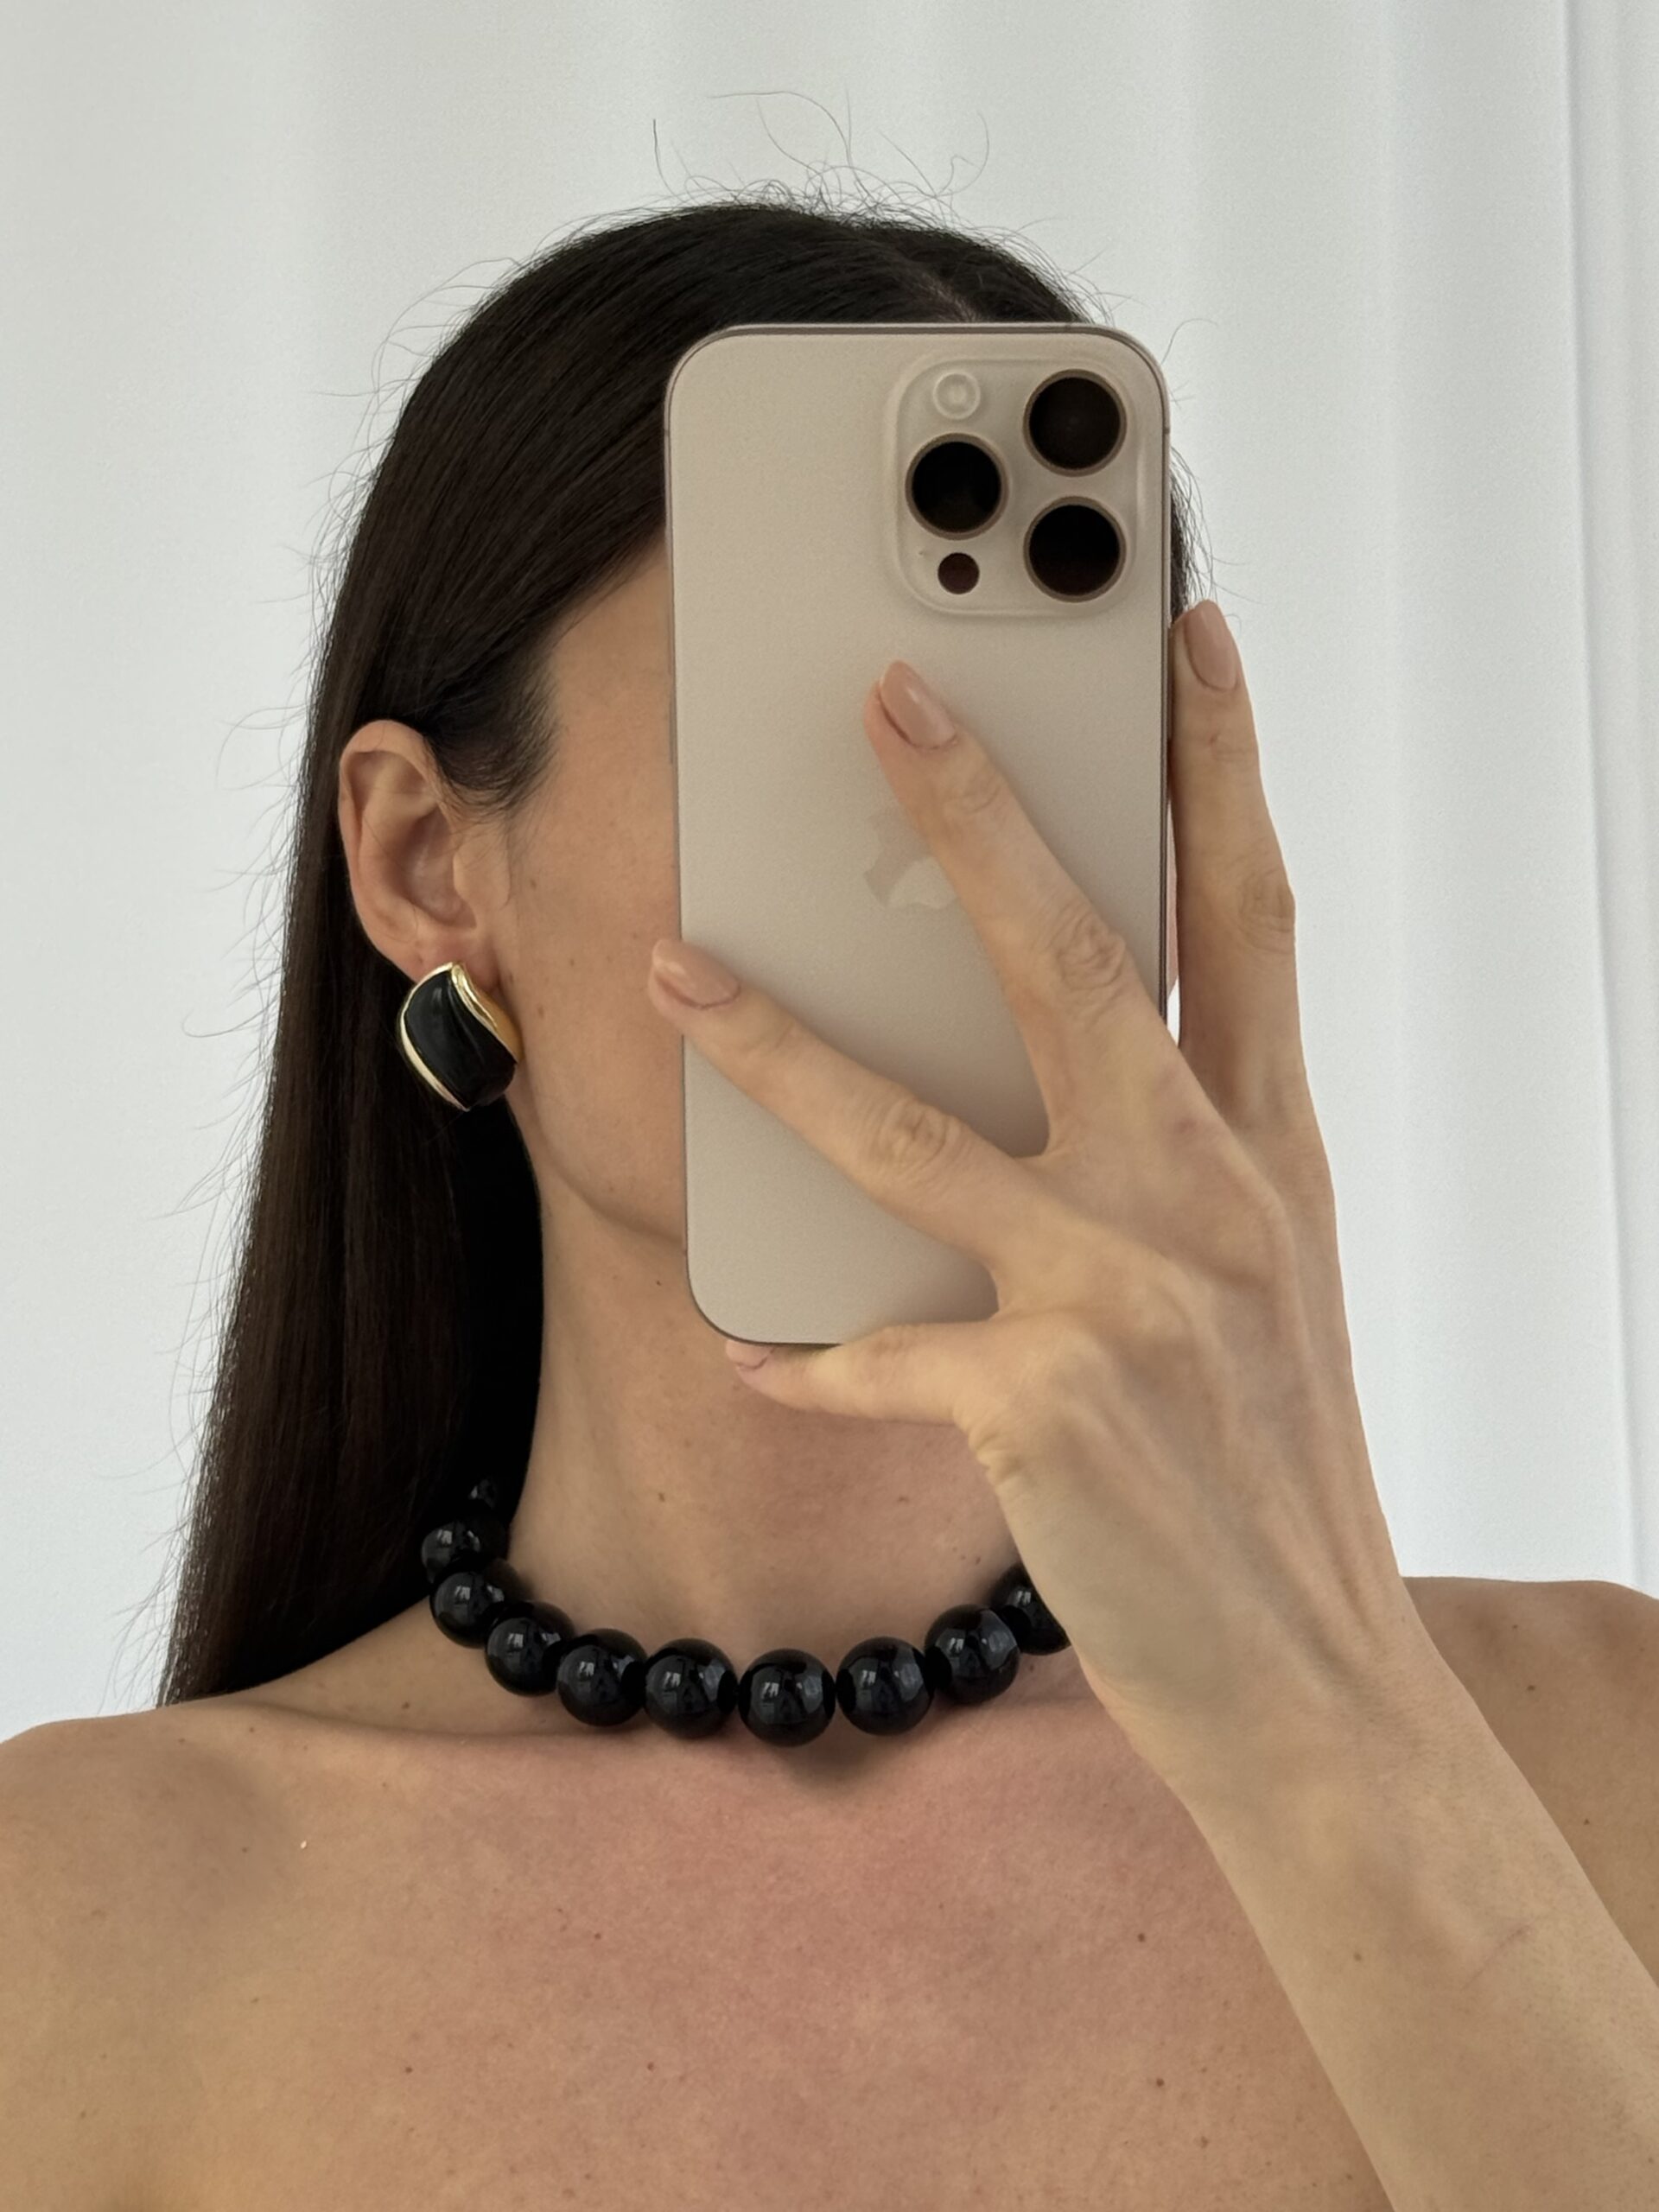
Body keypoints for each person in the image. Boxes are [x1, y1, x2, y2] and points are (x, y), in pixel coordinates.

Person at [4, 192, 1656, 2211]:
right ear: (430, 862)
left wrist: (1324, 1714)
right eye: (817, 739)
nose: (959, 872)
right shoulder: (77, 1924)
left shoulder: (1598, 1761)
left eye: (1037, 759)